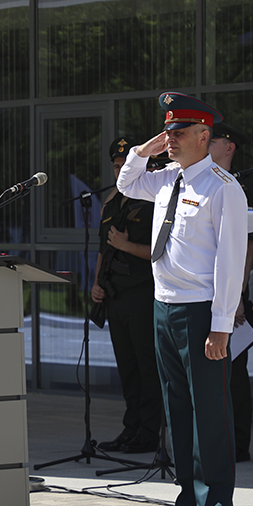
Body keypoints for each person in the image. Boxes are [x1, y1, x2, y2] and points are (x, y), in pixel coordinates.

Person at [118, 92, 247, 506]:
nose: (169, 139)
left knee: (209, 411)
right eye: (168, 131)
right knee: (177, 409)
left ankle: (216, 504)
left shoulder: (223, 188)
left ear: (203, 135)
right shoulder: (168, 177)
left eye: (178, 132)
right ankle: (188, 498)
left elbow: (230, 261)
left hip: (199, 310)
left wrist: (222, 324)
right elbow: (126, 183)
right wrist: (142, 151)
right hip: (164, 306)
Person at [91, 137, 162, 455]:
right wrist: (96, 285)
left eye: (125, 165)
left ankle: (150, 432)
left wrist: (126, 246)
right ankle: (131, 427)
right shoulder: (111, 202)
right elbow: (103, 249)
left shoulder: (153, 199)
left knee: (147, 367)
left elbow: (163, 252)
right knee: (127, 367)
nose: (120, 171)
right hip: (115, 293)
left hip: (142, 291)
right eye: (117, 166)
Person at [208, 122, 253, 463]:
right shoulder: (201, 183)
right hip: (200, 292)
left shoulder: (237, 189)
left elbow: (246, 250)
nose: (206, 144)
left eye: (212, 139)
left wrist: (237, 295)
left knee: (233, 373)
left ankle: (238, 443)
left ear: (229, 146)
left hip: (229, 295)